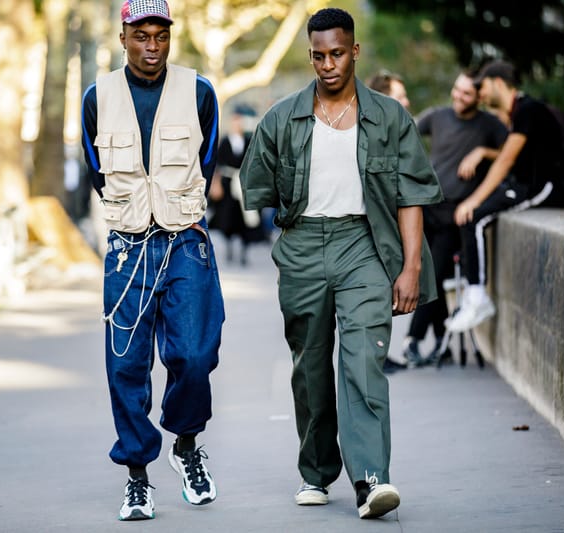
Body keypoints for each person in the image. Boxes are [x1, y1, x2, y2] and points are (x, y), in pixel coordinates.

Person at [240, 7, 443, 519]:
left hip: (365, 245)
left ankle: (371, 480)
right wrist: (292, 229)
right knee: (309, 366)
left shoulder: (390, 116)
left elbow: (410, 196)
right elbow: (257, 186)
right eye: (318, 56)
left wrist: (411, 267)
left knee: (363, 361)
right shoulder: (283, 117)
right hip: (304, 245)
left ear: (354, 51)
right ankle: (316, 471)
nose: (327, 64)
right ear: (309, 55)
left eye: (336, 54)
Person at [80, 0, 224, 521]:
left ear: (170, 37)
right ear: (123, 37)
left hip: (186, 240)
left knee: (195, 354)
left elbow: (207, 161)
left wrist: (173, 208)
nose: (152, 47)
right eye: (141, 36)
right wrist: (134, 213)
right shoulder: (97, 96)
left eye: (160, 36)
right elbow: (97, 169)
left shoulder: (200, 91)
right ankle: (137, 475)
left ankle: (186, 444)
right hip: (128, 248)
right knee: (127, 364)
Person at [448, 59, 564, 332]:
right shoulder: (518, 113)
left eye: (483, 87)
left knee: (475, 216)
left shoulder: (529, 110)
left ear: (497, 82)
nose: (480, 94)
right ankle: (473, 295)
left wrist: (474, 200)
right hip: (526, 185)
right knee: (471, 218)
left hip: (546, 188)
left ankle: (478, 297)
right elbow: (508, 154)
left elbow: (505, 160)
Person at [394, 70, 509, 368]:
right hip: (427, 207)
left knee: (431, 272)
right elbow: (402, 133)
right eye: (456, 90)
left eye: (466, 94)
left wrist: (483, 153)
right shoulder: (437, 117)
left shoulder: (489, 125)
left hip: (454, 214)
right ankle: (438, 340)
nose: (458, 96)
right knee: (427, 273)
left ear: (479, 98)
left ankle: (413, 340)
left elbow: (511, 153)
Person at [208, 103, 265, 265]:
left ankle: (244, 251)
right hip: (228, 184)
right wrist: (216, 185)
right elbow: (217, 164)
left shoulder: (249, 140)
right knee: (227, 217)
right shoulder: (225, 141)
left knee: (245, 219)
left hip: (244, 184)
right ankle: (229, 248)